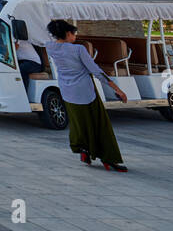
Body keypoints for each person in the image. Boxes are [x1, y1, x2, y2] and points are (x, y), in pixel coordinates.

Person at [45, 19, 128, 172]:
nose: (75, 36)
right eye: (73, 33)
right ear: (68, 33)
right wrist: (118, 89)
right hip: (85, 91)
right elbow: (96, 71)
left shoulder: (50, 47)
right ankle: (109, 158)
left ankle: (83, 149)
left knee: (78, 122)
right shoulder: (78, 50)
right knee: (99, 124)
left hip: (67, 91)